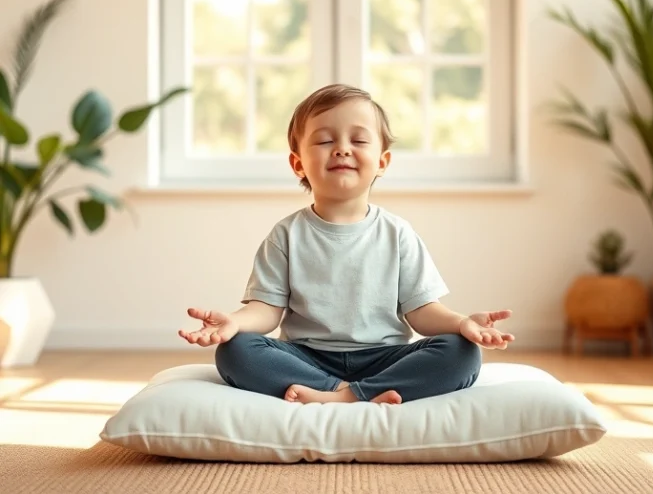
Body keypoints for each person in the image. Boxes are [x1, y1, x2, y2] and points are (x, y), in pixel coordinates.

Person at [179, 83, 514, 405]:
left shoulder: (398, 234)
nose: (342, 148)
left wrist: (462, 323)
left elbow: (423, 312)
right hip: (306, 358)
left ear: (382, 162)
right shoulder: (286, 235)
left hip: (385, 357)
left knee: (462, 351)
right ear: (298, 164)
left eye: (358, 139)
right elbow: (266, 310)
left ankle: (342, 396)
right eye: (325, 140)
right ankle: (347, 391)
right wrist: (234, 323)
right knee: (236, 350)